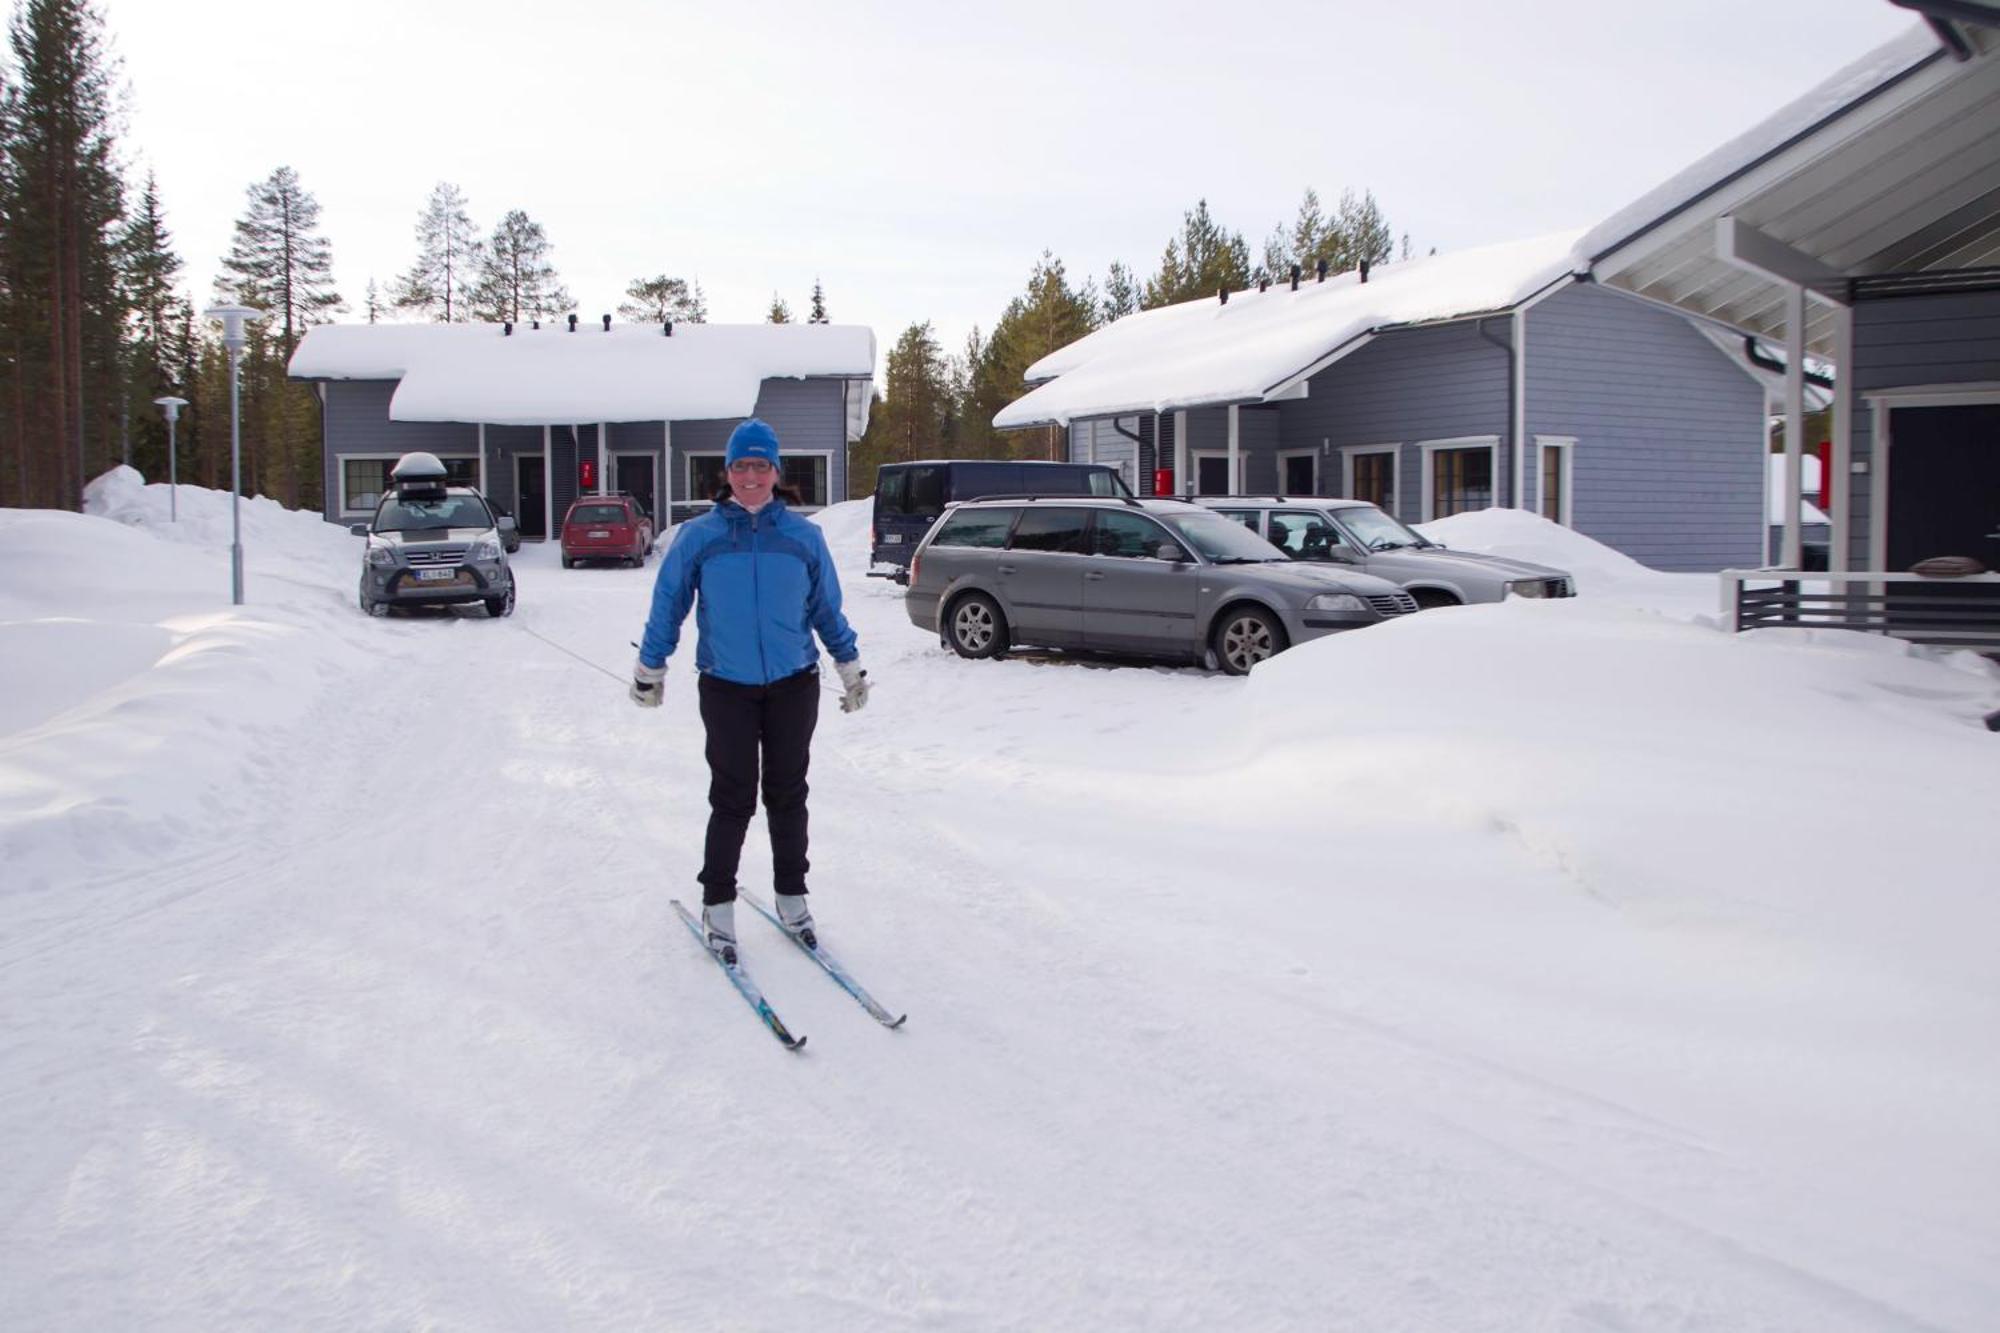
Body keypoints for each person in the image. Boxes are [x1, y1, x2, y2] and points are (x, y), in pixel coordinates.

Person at [629, 418, 869, 965]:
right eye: (742, 465)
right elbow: (669, 605)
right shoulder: (701, 538)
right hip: (726, 686)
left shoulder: (803, 537)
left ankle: (792, 897)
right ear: (728, 472)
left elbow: (826, 608)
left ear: (776, 473)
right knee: (732, 797)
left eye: (762, 465)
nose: (752, 476)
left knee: (788, 794)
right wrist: (651, 668)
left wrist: (849, 664)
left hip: (794, 683)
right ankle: (718, 904)